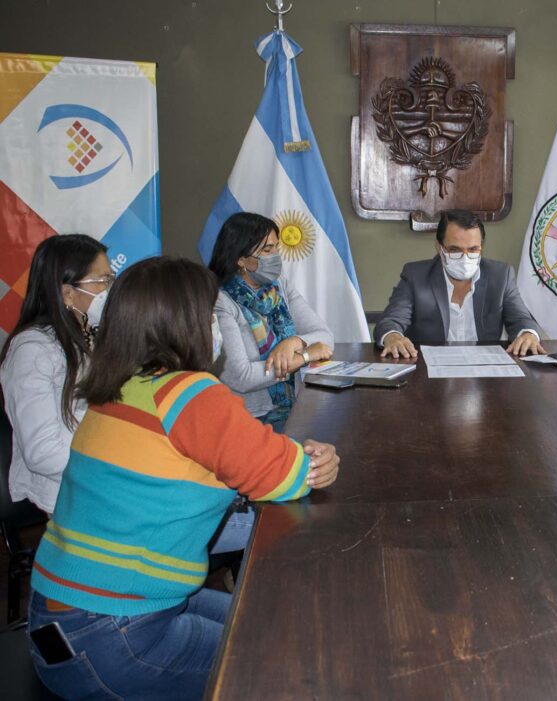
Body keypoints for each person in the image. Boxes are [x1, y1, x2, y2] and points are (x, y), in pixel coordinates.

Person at [26, 257, 340, 699]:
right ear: (183, 321)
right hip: (113, 635)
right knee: (285, 656)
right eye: (211, 313)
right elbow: (284, 476)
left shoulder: (117, 388)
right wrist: (317, 459)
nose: (216, 325)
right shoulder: (190, 393)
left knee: (259, 616)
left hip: (60, 622)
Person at [0, 234, 112, 514]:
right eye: (101, 281)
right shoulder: (32, 350)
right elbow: (43, 452)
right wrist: (116, 458)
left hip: (102, 482)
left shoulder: (91, 335)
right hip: (69, 493)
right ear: (67, 293)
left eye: (110, 279)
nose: (108, 290)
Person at [208, 212, 334, 432]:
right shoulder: (221, 301)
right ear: (241, 259)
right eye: (267, 250)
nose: (276, 256)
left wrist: (293, 342)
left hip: (292, 408)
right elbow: (240, 377)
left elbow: (325, 337)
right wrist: (305, 355)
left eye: (276, 247)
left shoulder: (279, 286)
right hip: (246, 419)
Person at [374, 209, 544, 358]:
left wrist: (528, 334)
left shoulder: (500, 275)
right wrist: (393, 337)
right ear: (439, 247)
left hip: (485, 373)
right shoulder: (416, 276)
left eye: (473, 250)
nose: (465, 258)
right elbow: (390, 321)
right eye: (455, 250)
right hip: (428, 373)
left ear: (481, 248)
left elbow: (521, 319)